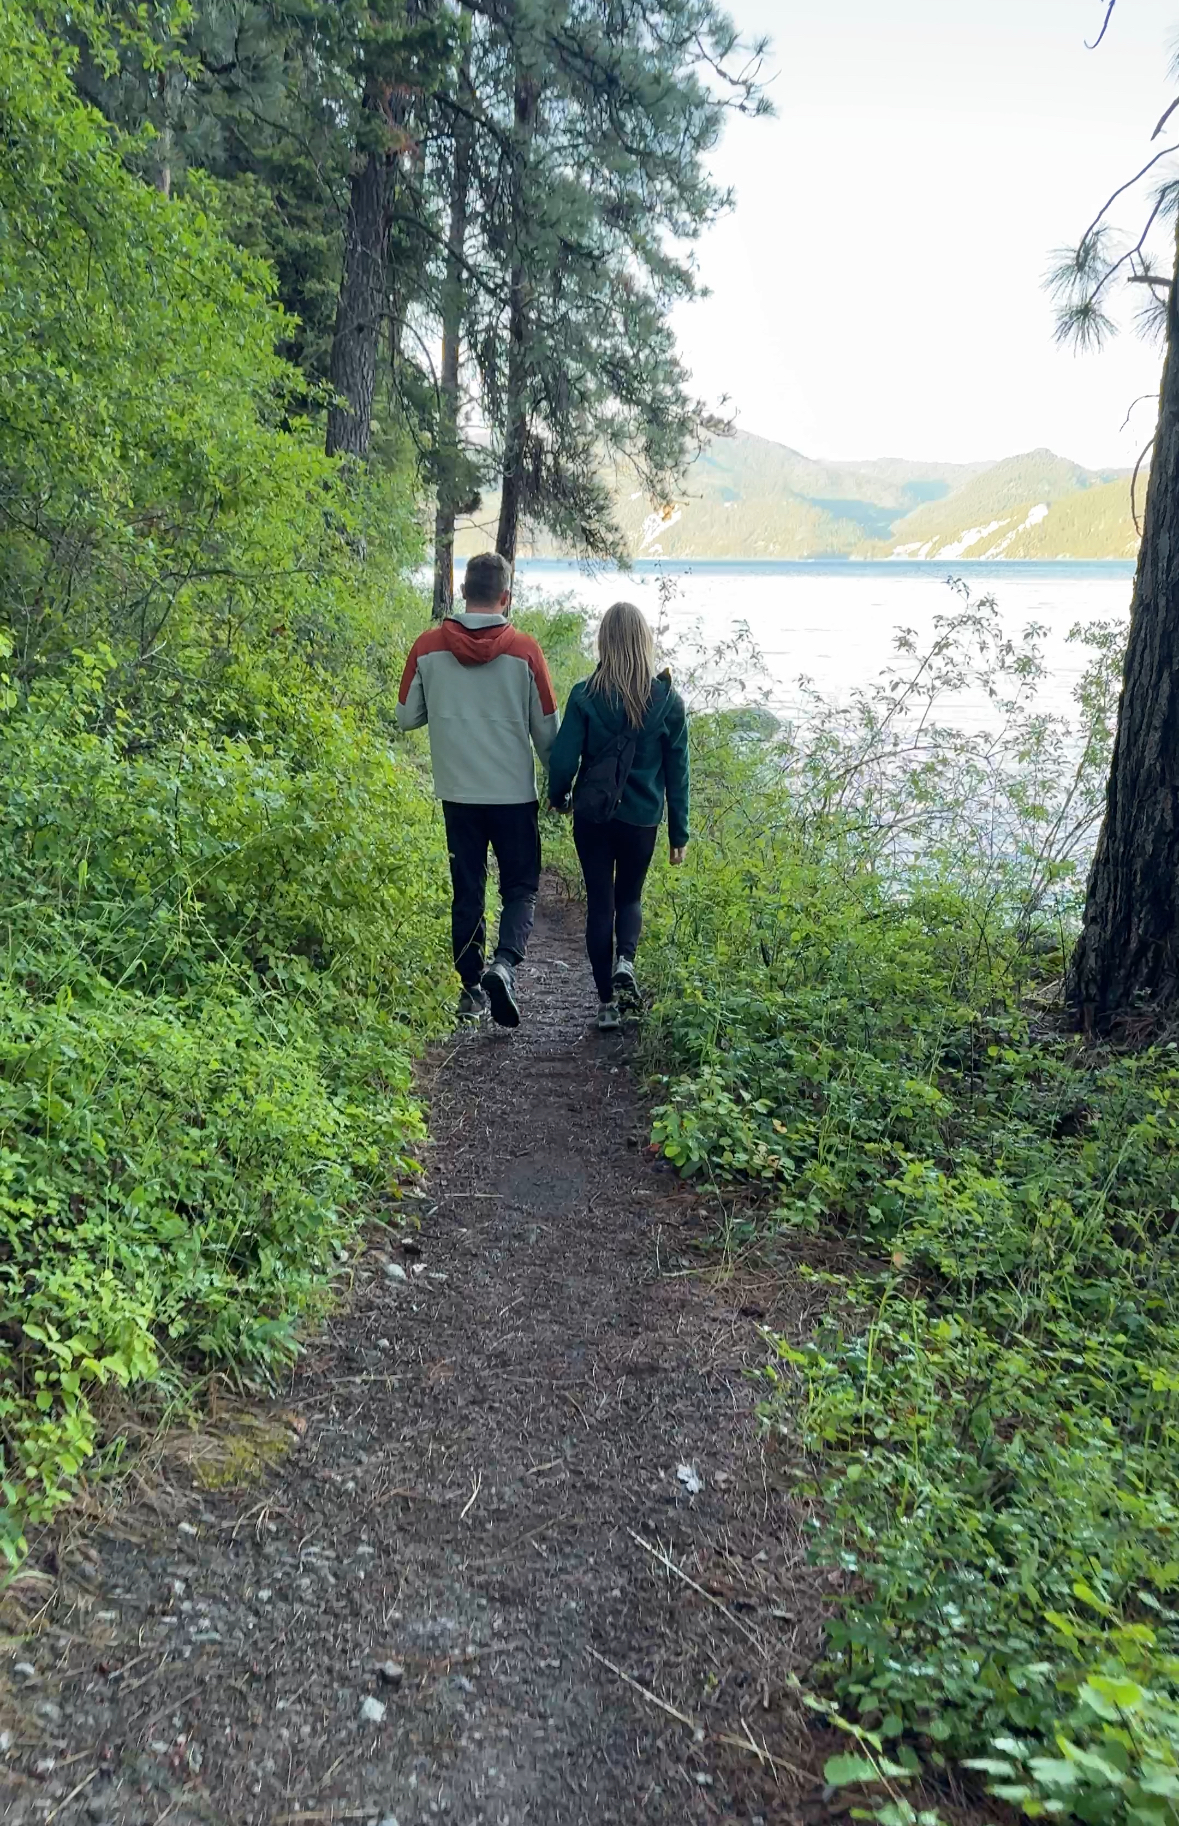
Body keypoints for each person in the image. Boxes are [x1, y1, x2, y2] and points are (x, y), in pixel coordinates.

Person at [396, 551, 559, 1028]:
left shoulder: (427, 647)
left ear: (463, 592)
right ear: (506, 597)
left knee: (467, 890)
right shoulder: (526, 651)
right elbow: (547, 733)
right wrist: (561, 784)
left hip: (458, 794)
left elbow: (406, 716)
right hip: (513, 795)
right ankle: (504, 966)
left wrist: (444, 706)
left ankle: (470, 990)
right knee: (520, 888)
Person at [547, 601, 689, 1031]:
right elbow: (678, 772)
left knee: (599, 904)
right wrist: (678, 835)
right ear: (644, 642)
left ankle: (606, 1002)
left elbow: (562, 758)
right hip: (642, 820)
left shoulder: (584, 695)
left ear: (604, 641)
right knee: (630, 897)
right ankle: (625, 960)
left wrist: (558, 797)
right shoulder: (667, 702)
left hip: (593, 817)